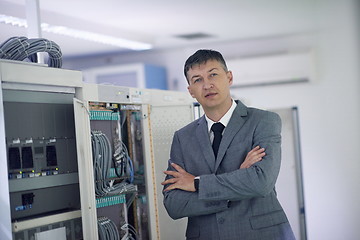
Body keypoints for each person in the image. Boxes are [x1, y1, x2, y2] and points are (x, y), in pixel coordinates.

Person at [161, 49, 295, 240]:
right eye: (197, 80)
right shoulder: (183, 137)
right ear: (190, 90)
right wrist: (240, 178)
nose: (207, 85)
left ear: (229, 77)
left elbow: (261, 183)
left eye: (213, 74)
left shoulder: (264, 121)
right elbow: (174, 205)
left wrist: (196, 183)